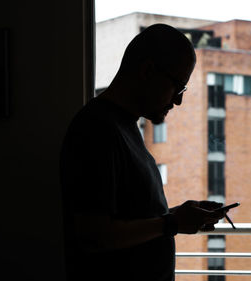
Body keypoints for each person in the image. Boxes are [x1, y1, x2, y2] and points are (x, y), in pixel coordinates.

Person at [60, 24, 226, 281]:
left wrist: (178, 215)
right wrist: (172, 223)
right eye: (178, 87)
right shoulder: (96, 129)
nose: (178, 100)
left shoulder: (123, 127)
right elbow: (93, 235)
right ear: (148, 71)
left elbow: (127, 220)